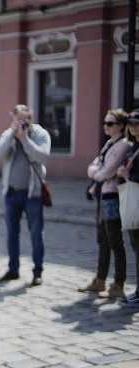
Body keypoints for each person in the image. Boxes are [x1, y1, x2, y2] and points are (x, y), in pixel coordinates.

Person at [0, 104, 51, 286]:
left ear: (31, 119)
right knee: (12, 234)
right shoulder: (8, 135)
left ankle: (37, 271)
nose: (21, 124)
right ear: (12, 120)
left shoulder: (40, 134)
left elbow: (42, 156)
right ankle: (13, 269)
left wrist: (25, 139)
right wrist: (12, 134)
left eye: (25, 120)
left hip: (32, 194)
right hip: (11, 194)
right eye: (17, 120)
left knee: (35, 233)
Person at [80, 108, 130, 299]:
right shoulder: (109, 143)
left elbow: (105, 172)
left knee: (115, 241)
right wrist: (97, 172)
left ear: (120, 125)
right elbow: (92, 167)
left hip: (112, 197)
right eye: (105, 123)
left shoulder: (123, 145)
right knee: (102, 240)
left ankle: (118, 284)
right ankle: (100, 280)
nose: (106, 126)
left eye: (110, 123)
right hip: (102, 196)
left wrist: (97, 173)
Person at [117, 108, 139, 305]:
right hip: (134, 201)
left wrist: (129, 176)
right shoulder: (133, 146)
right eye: (131, 124)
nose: (133, 127)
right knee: (136, 247)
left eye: (137, 124)